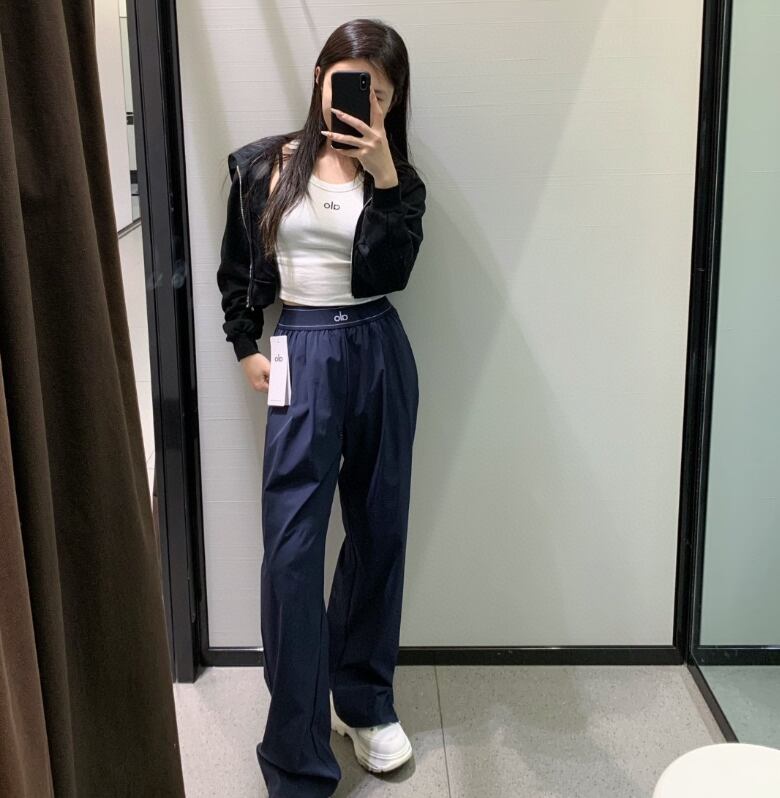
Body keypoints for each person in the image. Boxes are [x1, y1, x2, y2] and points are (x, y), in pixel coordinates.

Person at [215, 18, 427, 798]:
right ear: (318, 77)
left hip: (378, 346)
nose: (365, 100)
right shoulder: (263, 166)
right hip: (301, 349)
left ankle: (363, 701)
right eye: (350, 82)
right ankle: (297, 750)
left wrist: (386, 178)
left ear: (394, 99)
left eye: (380, 92)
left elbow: (393, 271)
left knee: (378, 532)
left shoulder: (398, 179)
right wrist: (247, 344)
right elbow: (237, 268)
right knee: (292, 553)